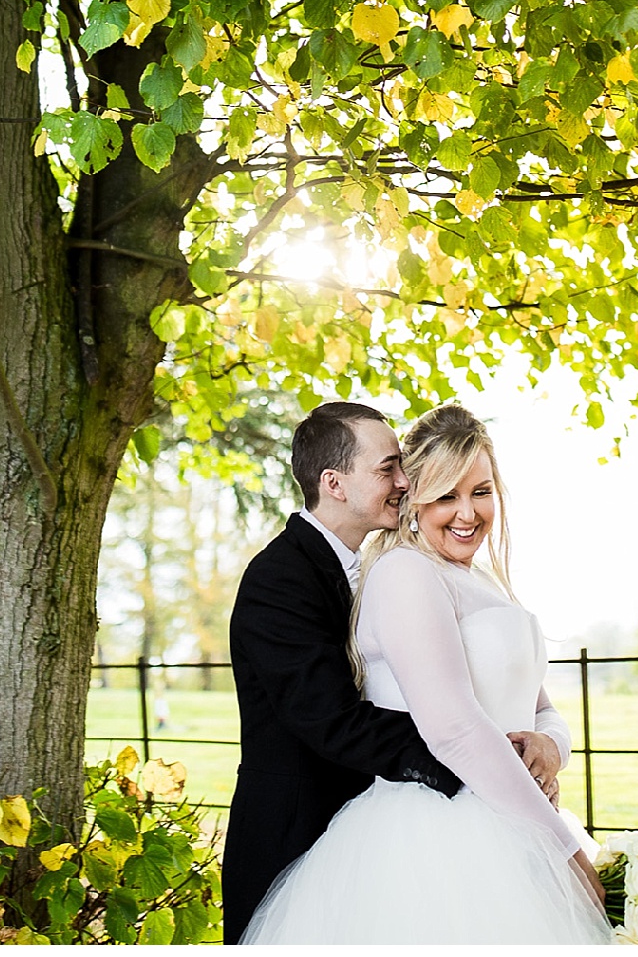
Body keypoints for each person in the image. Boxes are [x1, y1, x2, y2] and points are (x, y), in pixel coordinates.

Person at [241, 404, 613, 944]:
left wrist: (549, 747)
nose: (466, 512)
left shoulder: (476, 579)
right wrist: (558, 842)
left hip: (509, 812)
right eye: (442, 494)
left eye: (481, 491)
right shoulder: (387, 573)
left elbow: (537, 706)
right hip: (427, 826)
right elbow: (394, 722)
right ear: (337, 484)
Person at [221, 402, 466, 943]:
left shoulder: (376, 565)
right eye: (387, 469)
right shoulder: (279, 579)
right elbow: (330, 719)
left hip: (369, 833)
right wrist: (466, 751)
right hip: (295, 837)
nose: (405, 481)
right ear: (334, 482)